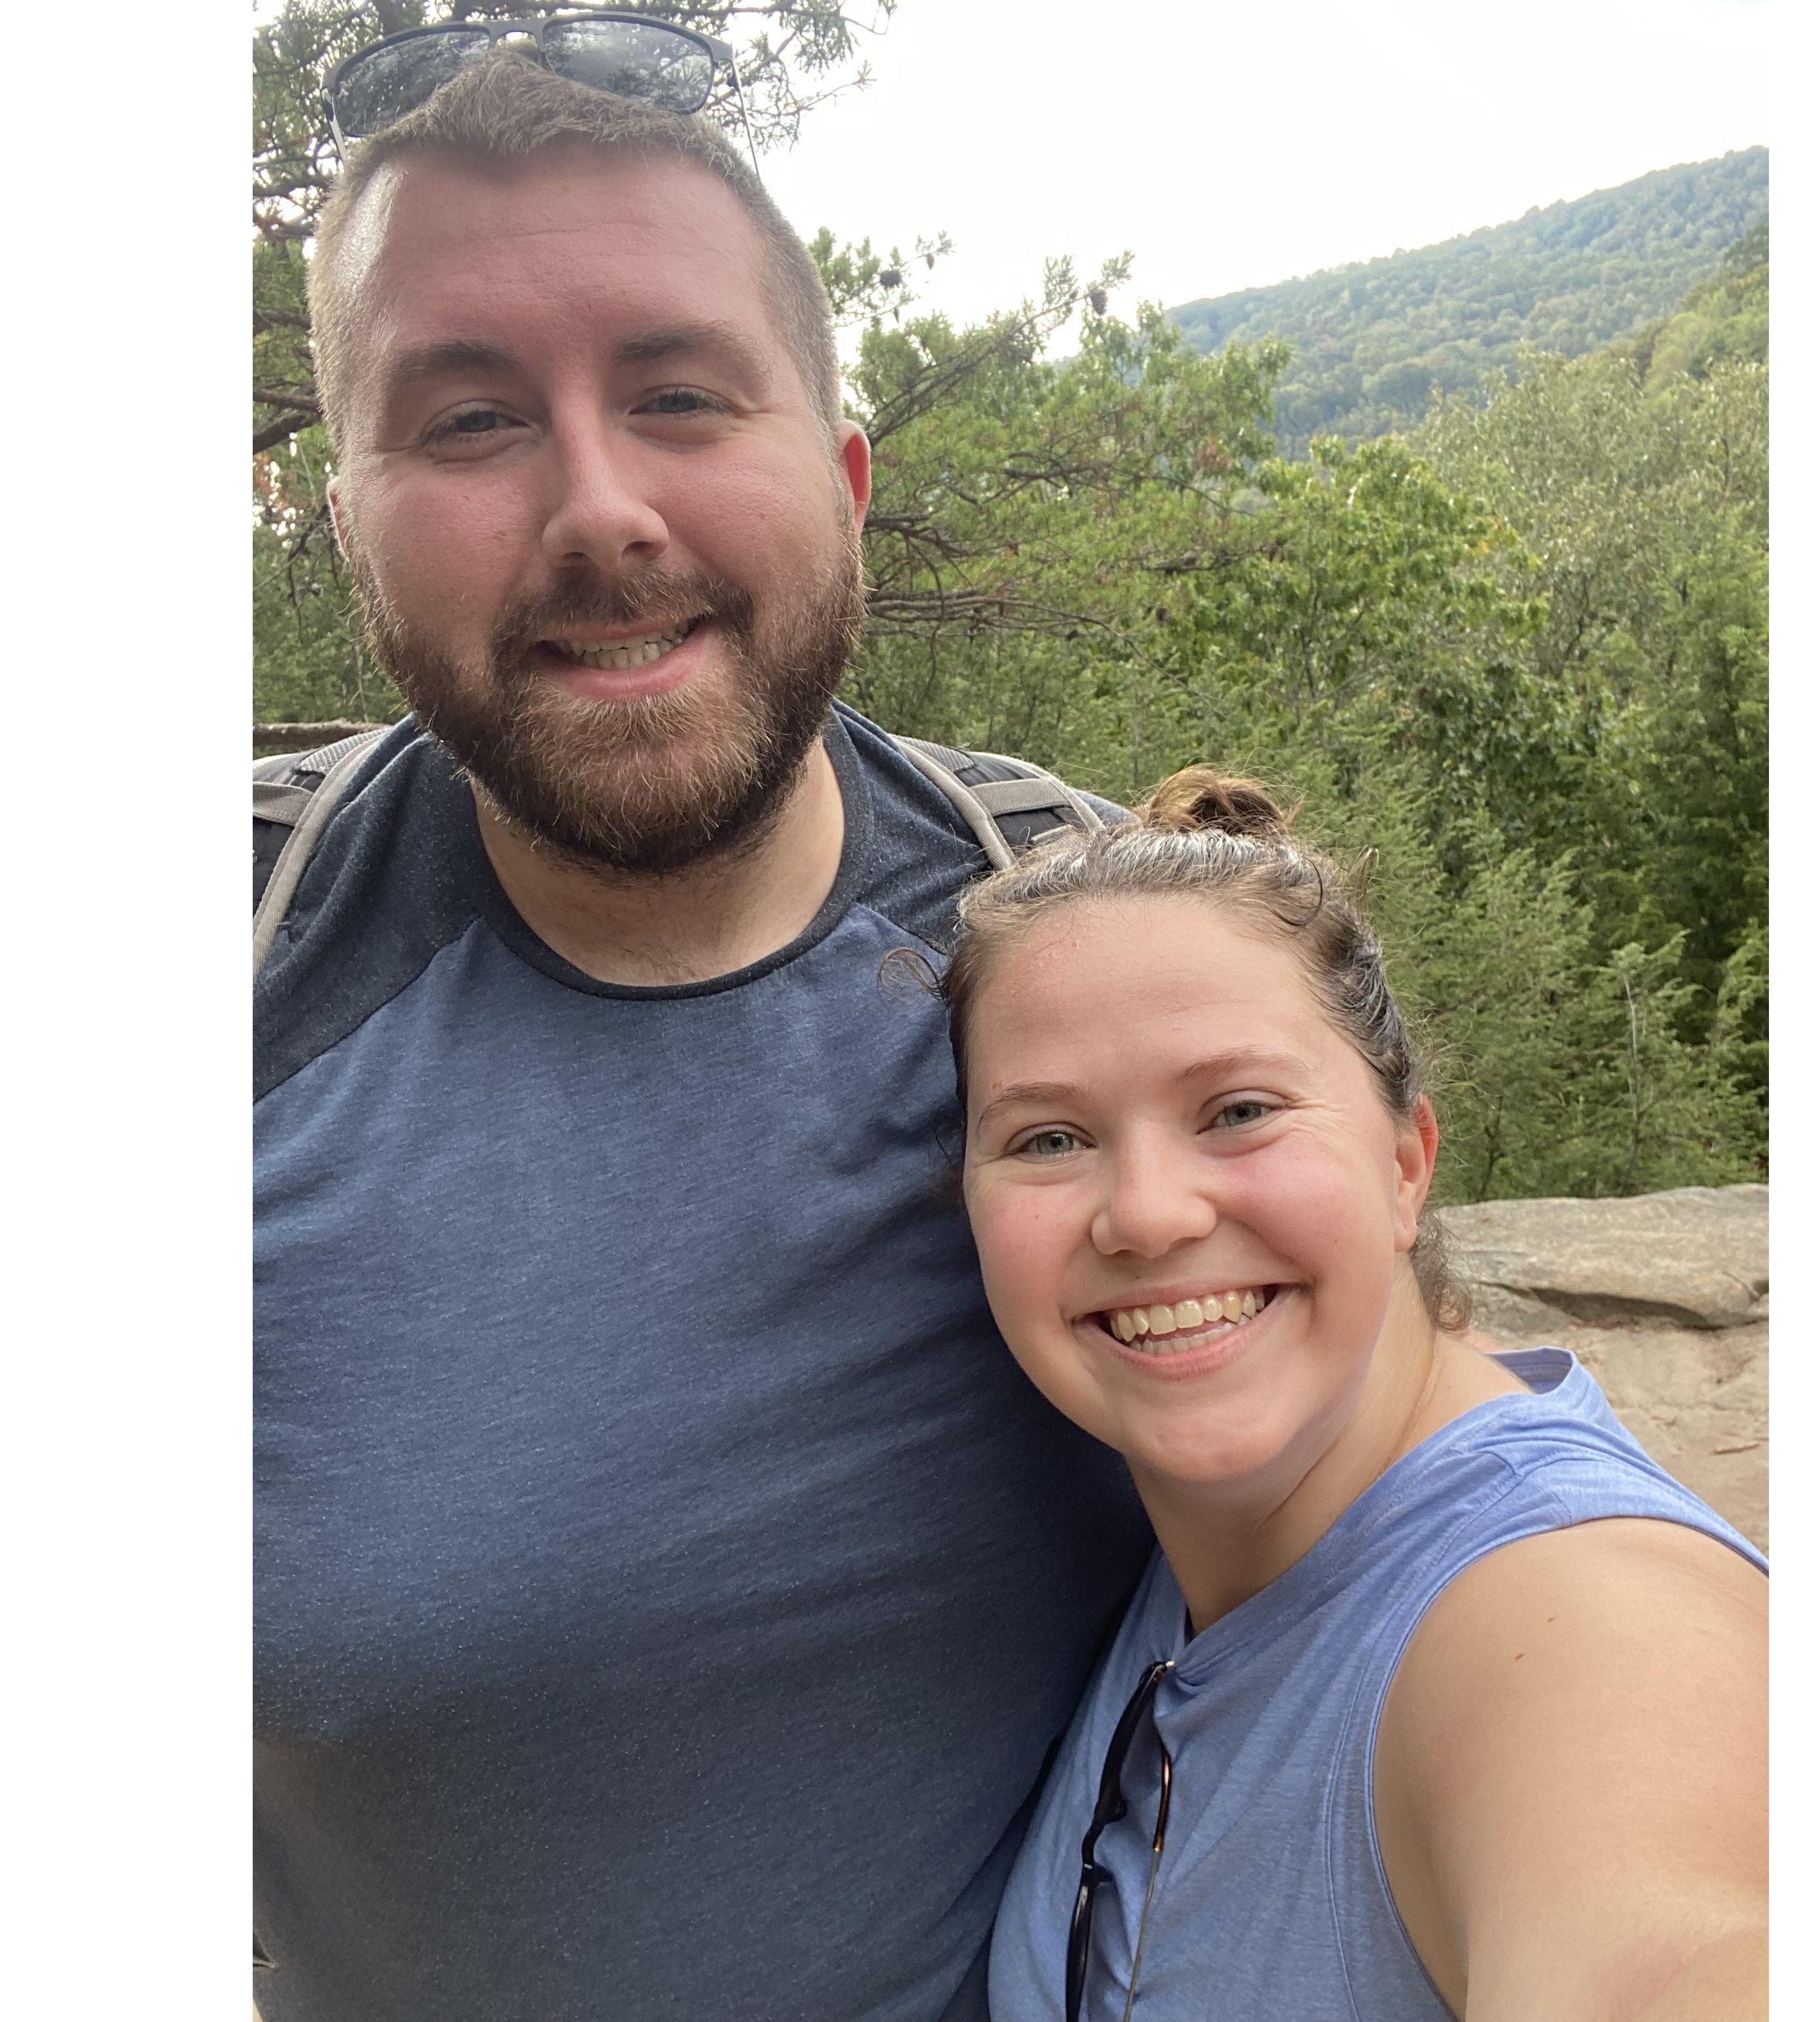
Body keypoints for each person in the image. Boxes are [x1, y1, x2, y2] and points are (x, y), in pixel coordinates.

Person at [253, 43, 1151, 2022]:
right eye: (470, 419)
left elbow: (1443, 1502)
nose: (601, 511)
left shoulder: (1101, 941)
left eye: (677, 394)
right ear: (349, 524)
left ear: (840, 474)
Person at [943, 771, 1770, 2021]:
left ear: (1404, 1166)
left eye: (1239, 1112)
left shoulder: (1568, 1624)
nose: (1151, 1214)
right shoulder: (1218, 1542)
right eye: (1049, 1138)